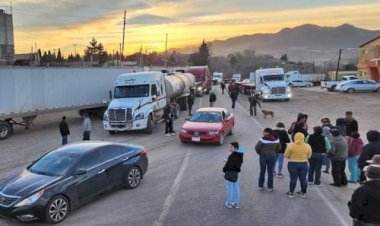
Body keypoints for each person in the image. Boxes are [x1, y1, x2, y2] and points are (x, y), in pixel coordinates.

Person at [284, 132, 312, 198]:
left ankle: (291, 192)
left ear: (295, 137)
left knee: (293, 179)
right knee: (303, 179)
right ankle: (303, 192)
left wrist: (291, 157)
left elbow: (286, 155)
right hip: (304, 164)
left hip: (292, 163)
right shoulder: (307, 146)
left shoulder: (290, 145)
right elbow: (309, 156)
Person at [223, 142, 244, 209]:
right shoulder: (240, 153)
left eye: (231, 147)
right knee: (236, 187)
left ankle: (229, 203)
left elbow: (227, 167)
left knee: (229, 188)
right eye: (229, 146)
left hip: (231, 173)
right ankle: (236, 203)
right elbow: (242, 149)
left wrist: (225, 167)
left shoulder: (231, 156)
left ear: (236, 148)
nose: (229, 148)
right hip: (237, 173)